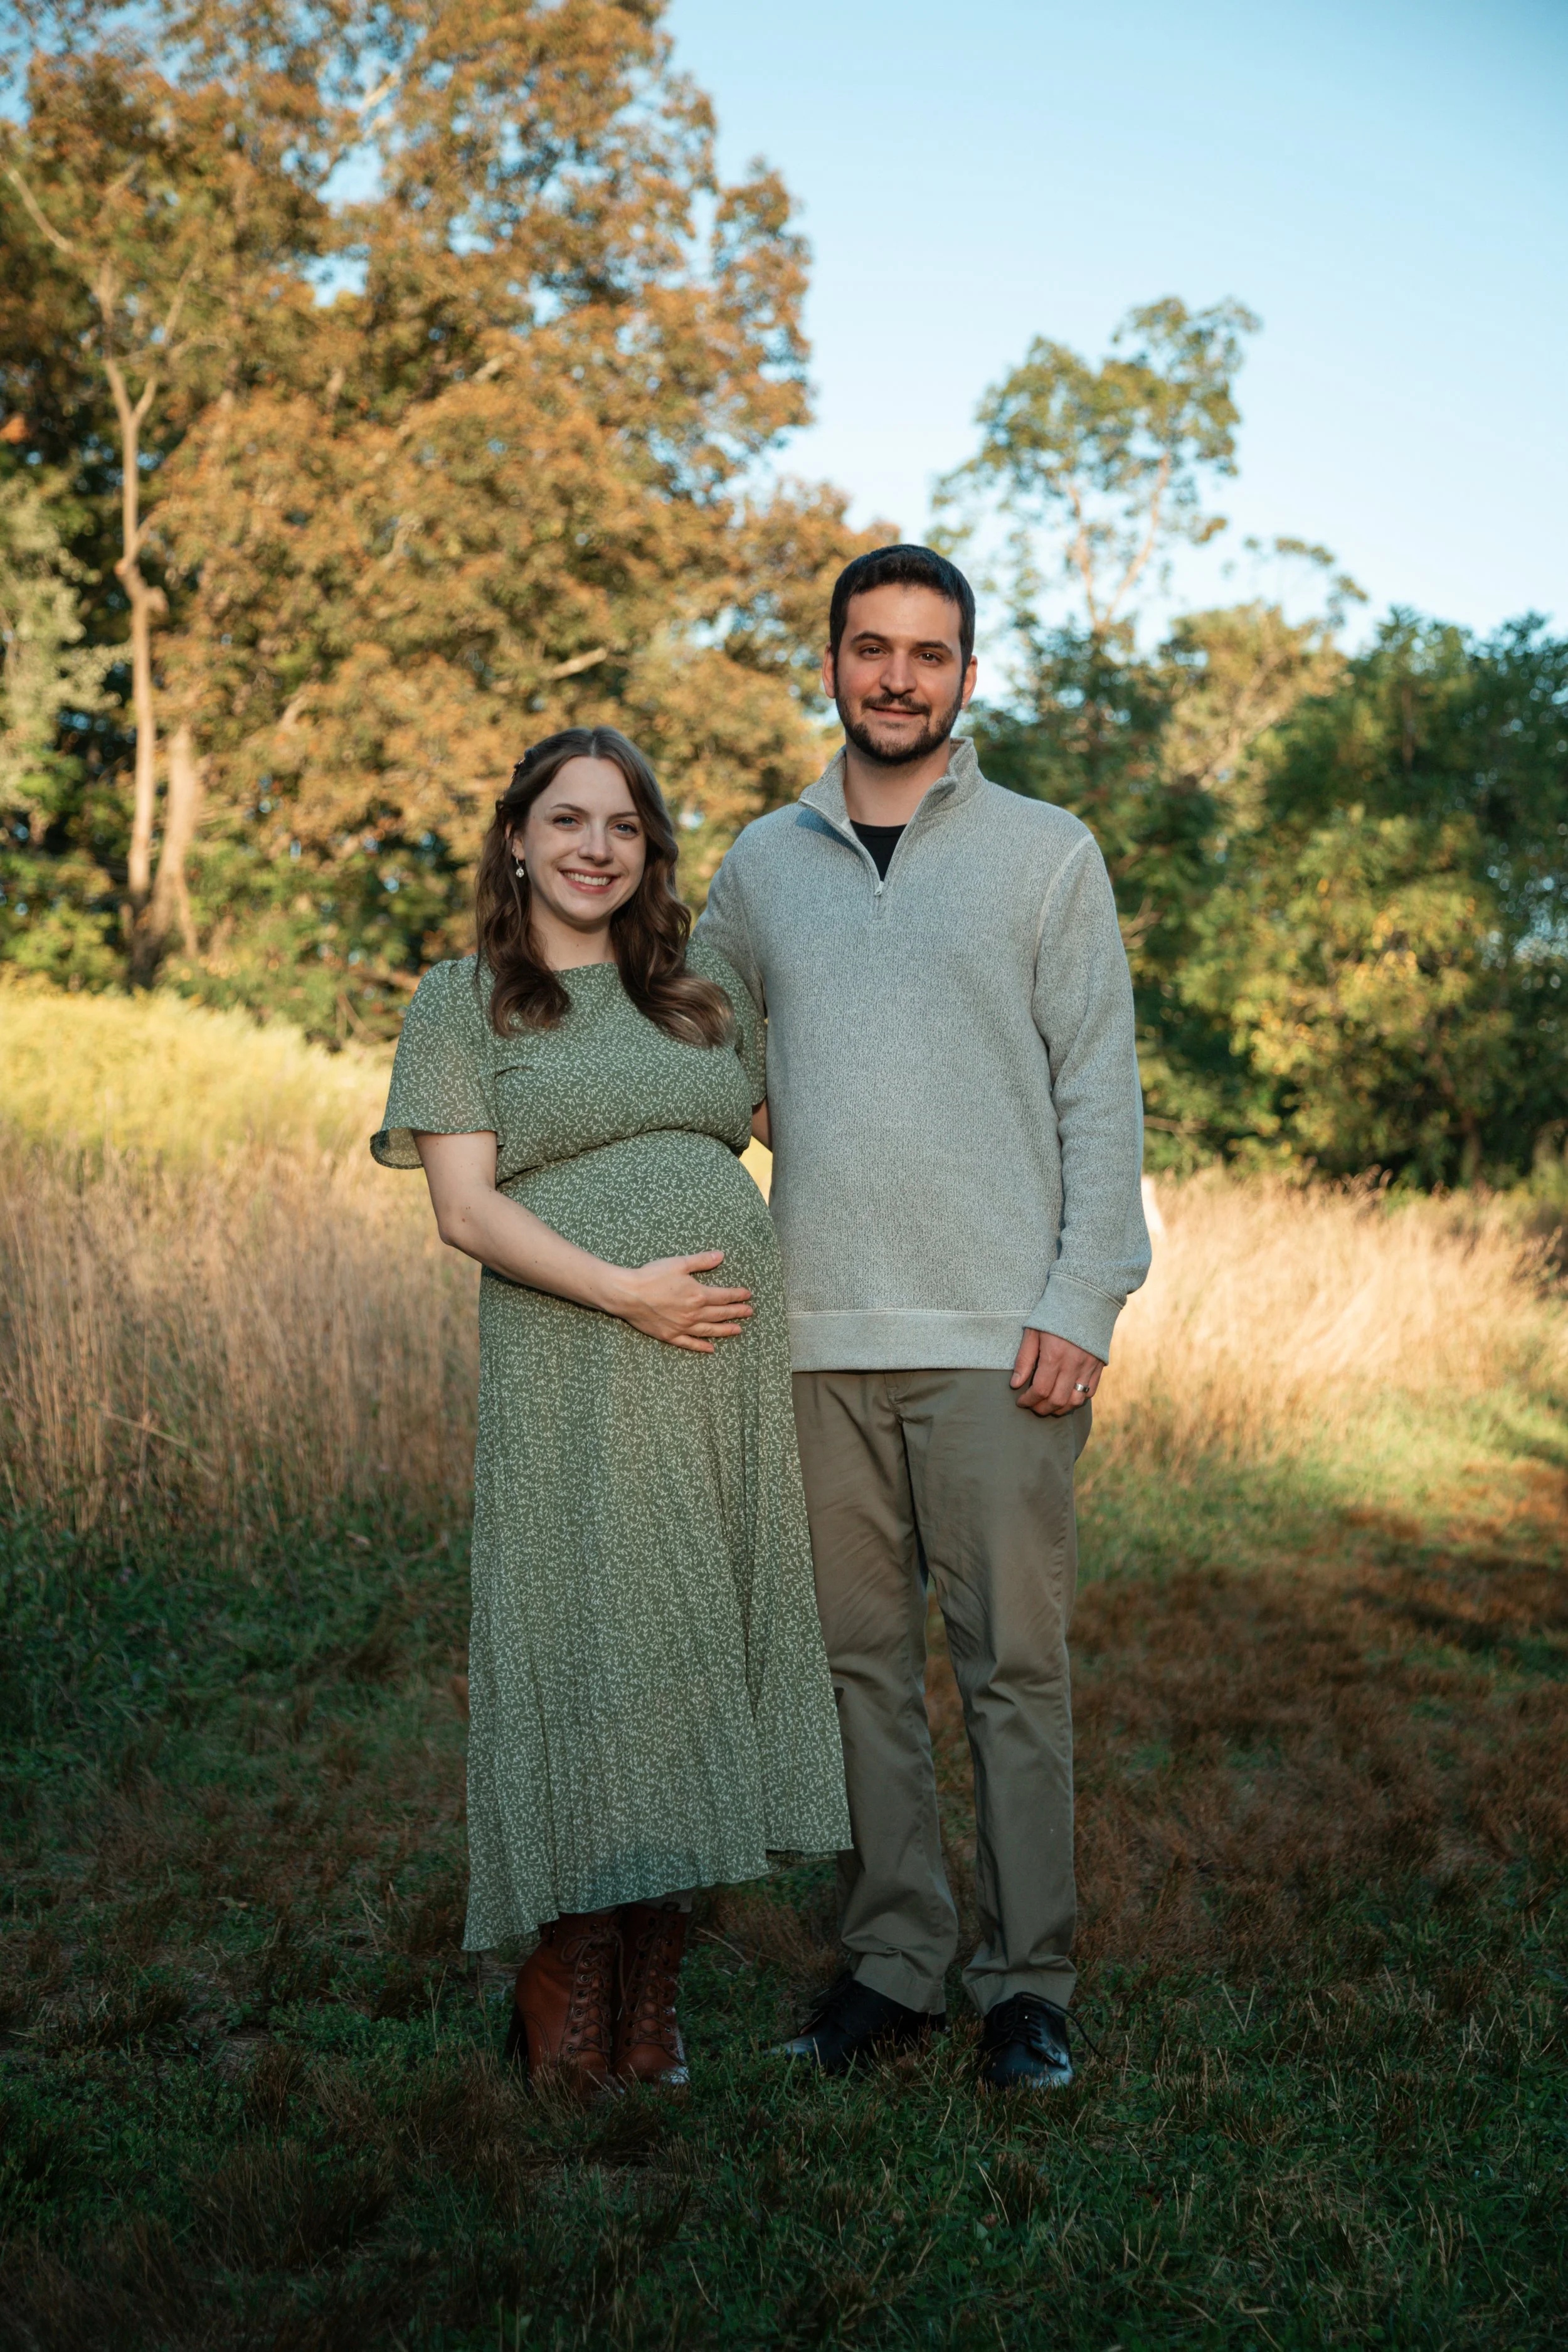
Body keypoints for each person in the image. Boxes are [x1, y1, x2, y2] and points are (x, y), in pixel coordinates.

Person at [695, 546, 1149, 2091]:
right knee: (858, 1670)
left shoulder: (1045, 855)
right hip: (815, 1337)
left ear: (967, 676)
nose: (896, 676)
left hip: (1001, 1343)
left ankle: (1025, 1985)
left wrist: (1082, 1296)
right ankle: (892, 1964)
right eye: (870, 647)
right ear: (829, 661)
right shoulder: (761, 863)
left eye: (927, 653)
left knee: (1013, 1670)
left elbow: (1099, 1093)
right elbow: (700, 1041)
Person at [372, 726, 849, 2101]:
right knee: (594, 1644)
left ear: (651, 851)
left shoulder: (701, 996)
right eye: (568, 819)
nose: (596, 847)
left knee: (695, 1652)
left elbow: (825, 1131)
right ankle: (565, 1971)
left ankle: (651, 1983)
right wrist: (626, 1292)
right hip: (578, 1361)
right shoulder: (463, 1002)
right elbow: (465, 1211)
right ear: (516, 839)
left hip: (723, 1381)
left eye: (624, 826)